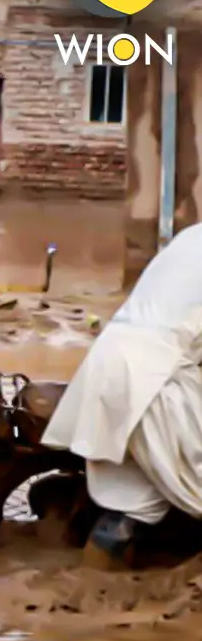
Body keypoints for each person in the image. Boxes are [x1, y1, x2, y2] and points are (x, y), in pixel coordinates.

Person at [44, 221, 202, 561]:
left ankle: (88, 591)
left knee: (133, 504)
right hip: (159, 380)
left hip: (108, 366)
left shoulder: (191, 237)